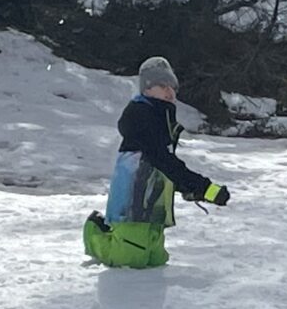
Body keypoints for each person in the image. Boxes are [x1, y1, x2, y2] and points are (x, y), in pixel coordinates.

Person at [85, 55, 230, 269]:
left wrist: (191, 189)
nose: (170, 91)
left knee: (156, 258)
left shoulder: (161, 119)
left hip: (153, 205)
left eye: (172, 87)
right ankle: (94, 232)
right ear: (147, 88)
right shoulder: (140, 117)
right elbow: (163, 160)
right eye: (163, 85)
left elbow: (164, 167)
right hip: (132, 204)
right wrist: (203, 187)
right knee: (130, 258)